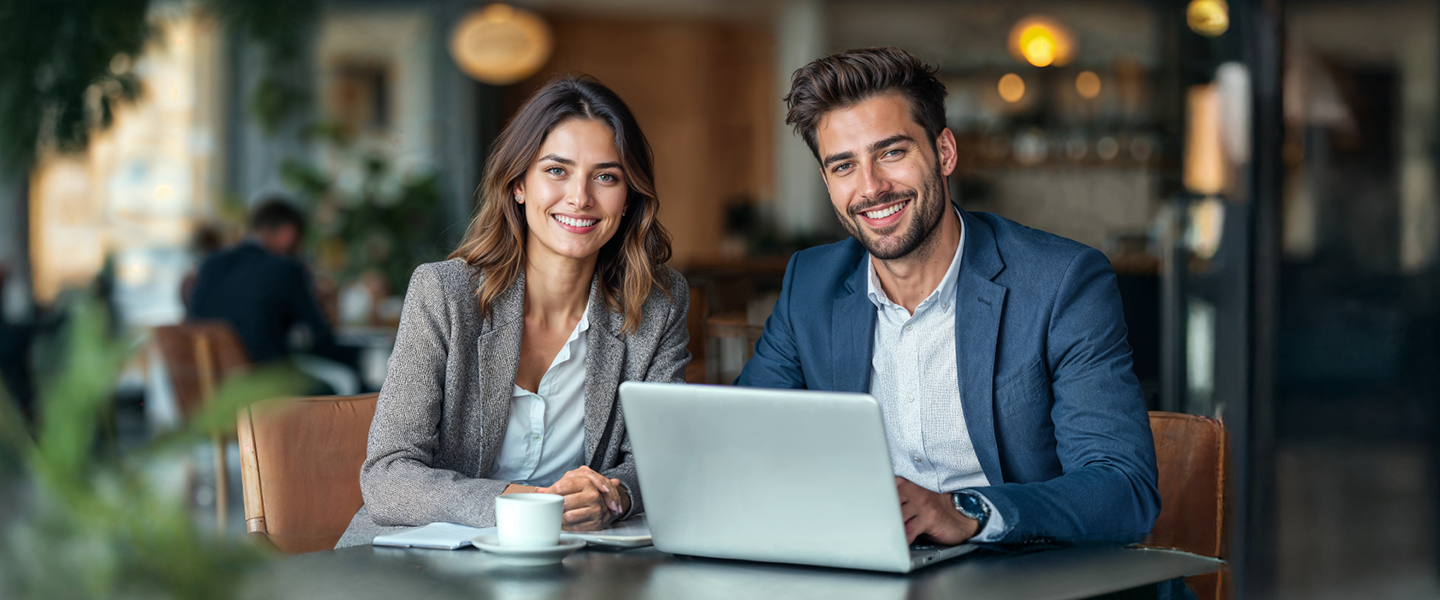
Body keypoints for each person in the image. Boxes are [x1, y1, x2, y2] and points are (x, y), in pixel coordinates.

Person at [737, 48, 1160, 549]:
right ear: (828, 182)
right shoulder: (810, 284)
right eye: (844, 166)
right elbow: (745, 444)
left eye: (891, 152)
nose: (870, 187)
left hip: (1024, 574)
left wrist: (967, 510)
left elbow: (1123, 487)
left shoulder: (1062, 282)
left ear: (944, 152)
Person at [337, 75, 690, 547]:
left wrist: (613, 494)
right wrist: (517, 502)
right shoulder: (444, 293)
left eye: (606, 176)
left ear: (628, 199)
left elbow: (660, 459)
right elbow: (388, 475)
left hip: (575, 567)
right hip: (426, 564)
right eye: (556, 171)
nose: (580, 198)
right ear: (519, 183)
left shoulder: (657, 305)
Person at [187, 198, 353, 369]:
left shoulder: (210, 264)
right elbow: (319, 336)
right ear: (288, 234)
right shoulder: (286, 268)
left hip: (211, 384)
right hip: (266, 384)